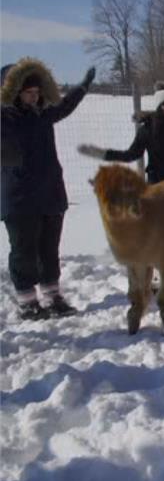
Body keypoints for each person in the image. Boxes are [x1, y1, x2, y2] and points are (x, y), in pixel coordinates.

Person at [1, 59, 95, 320]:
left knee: (49, 249)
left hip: (50, 193)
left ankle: (53, 296)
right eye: (28, 93)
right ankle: (27, 300)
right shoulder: (4, 119)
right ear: (14, 92)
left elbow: (64, 106)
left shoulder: (43, 114)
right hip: (18, 197)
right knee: (23, 250)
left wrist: (83, 88)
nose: (34, 97)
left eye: (36, 92)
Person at [78, 83, 164, 183]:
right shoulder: (147, 130)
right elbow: (131, 155)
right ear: (158, 107)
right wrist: (103, 154)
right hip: (157, 184)